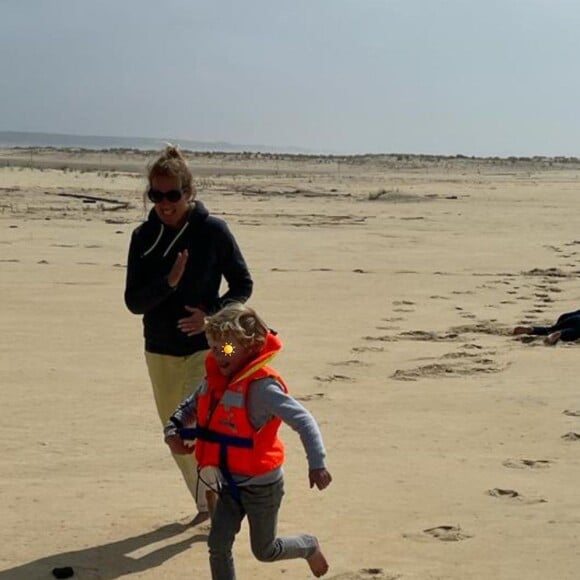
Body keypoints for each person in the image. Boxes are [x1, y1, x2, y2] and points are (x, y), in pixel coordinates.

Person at [124, 145, 253, 523]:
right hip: (160, 350)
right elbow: (133, 302)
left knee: (203, 424)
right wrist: (169, 282)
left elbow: (242, 284)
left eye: (173, 195)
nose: (165, 204)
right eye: (156, 195)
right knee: (175, 434)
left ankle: (225, 498)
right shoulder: (143, 237)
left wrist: (211, 317)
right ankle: (205, 500)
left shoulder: (213, 232)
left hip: (215, 345)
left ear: (189, 192)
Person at [163, 303, 332, 579]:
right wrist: (173, 430)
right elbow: (192, 405)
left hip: (262, 488)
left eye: (227, 348)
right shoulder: (217, 379)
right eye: (214, 347)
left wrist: (317, 464)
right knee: (217, 545)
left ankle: (308, 545)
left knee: (264, 550)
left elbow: (304, 421)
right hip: (228, 483)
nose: (219, 354)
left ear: (251, 348)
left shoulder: (263, 389)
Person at [513, 309, 580, 345]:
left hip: (568, 317)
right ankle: (559, 334)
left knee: (550, 329)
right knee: (574, 332)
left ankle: (531, 330)